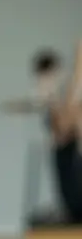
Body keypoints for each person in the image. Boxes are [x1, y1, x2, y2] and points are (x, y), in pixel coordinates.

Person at [34, 42, 82, 222]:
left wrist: (78, 61)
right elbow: (59, 130)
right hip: (70, 190)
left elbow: (64, 128)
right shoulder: (56, 104)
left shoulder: (71, 106)